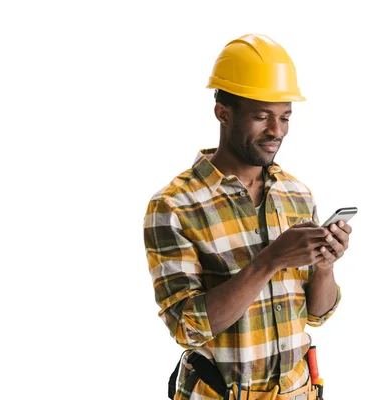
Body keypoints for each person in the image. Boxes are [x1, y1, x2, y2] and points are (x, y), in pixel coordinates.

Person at [143, 33, 353, 400]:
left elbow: (317, 314)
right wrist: (270, 260)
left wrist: (325, 265)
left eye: (285, 117)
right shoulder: (174, 205)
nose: (277, 131)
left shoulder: (296, 194)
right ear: (223, 113)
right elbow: (188, 328)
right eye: (262, 117)